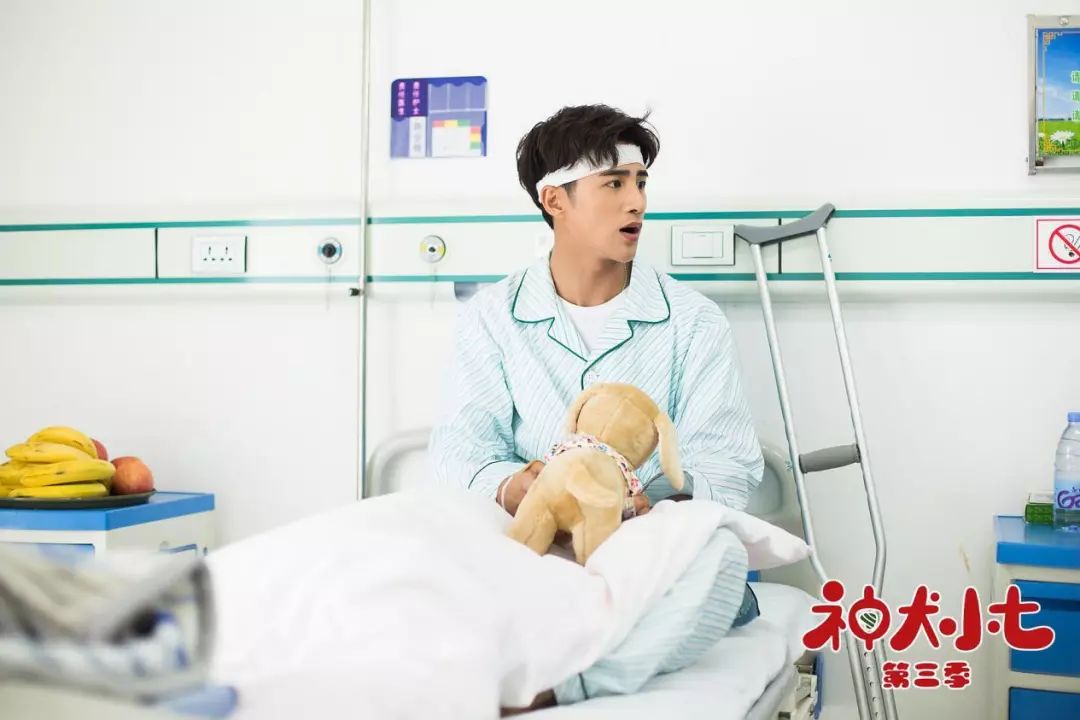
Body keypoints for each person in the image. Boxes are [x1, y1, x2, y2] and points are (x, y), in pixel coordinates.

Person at [428, 104, 764, 710]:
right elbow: (460, 450)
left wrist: (646, 507)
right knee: (414, 542)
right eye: (614, 184)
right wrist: (518, 486)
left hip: (645, 550)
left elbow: (727, 465)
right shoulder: (492, 318)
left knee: (722, 559)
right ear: (555, 199)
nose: (636, 202)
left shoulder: (693, 323)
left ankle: (565, 684)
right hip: (530, 539)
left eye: (641, 183)